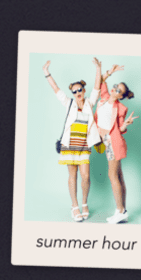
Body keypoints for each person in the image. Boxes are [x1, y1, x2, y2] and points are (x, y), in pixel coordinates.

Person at [43, 60, 103, 221]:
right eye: (74, 91)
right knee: (73, 176)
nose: (77, 93)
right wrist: (47, 73)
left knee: (86, 176)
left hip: (84, 146)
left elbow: (97, 88)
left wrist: (98, 68)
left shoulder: (89, 103)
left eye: (80, 90)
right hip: (69, 146)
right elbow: (56, 89)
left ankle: (84, 203)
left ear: (84, 90)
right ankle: (75, 206)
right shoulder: (69, 103)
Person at [91, 56, 140, 223]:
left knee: (113, 175)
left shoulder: (121, 108)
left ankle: (120, 211)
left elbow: (119, 129)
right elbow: (100, 82)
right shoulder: (104, 97)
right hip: (105, 140)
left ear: (121, 96)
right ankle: (122, 210)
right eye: (115, 87)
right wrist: (109, 72)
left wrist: (125, 125)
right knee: (118, 175)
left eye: (118, 90)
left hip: (113, 142)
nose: (114, 90)